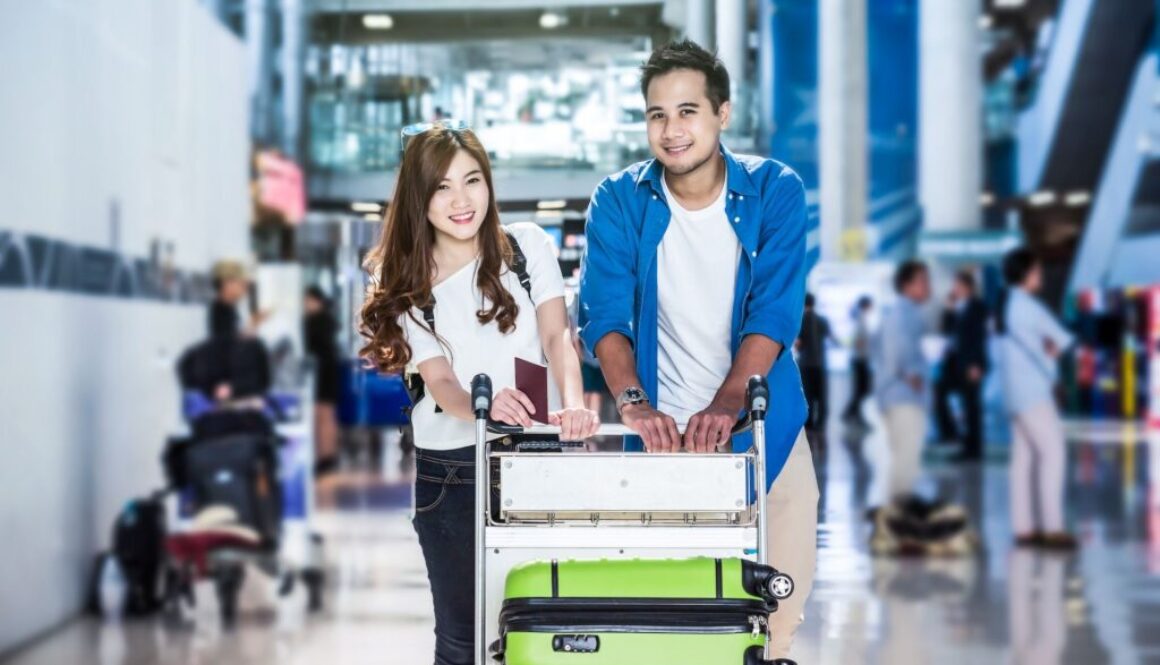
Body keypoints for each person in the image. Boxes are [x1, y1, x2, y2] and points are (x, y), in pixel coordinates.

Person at [579, 40, 816, 664]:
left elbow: (774, 312)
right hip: (663, 440)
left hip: (767, 424)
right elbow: (604, 316)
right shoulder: (619, 199)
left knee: (779, 612)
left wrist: (728, 403)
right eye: (657, 115)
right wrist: (633, 403)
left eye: (688, 111)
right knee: (673, 616)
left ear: (722, 113)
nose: (672, 130)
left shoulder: (775, 190)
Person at [358, 124, 600, 665]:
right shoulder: (407, 282)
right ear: (419, 198)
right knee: (463, 640)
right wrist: (484, 408)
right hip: (453, 468)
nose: (461, 200)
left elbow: (557, 337)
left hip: (534, 454)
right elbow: (441, 383)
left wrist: (573, 401)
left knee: (541, 628)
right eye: (441, 187)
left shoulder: (526, 247)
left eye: (472, 180)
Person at [997, 248, 1076, 549]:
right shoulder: (1029, 307)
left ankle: (1024, 527)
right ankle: (1052, 527)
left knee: (1023, 459)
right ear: (1026, 274)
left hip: (1013, 394)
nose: (1040, 276)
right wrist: (1052, 348)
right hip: (1034, 393)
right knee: (1053, 454)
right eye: (1037, 271)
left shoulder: (1004, 305)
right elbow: (1063, 338)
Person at [874, 261, 931, 501]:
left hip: (900, 395)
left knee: (905, 458)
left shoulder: (904, 313)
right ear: (906, 285)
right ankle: (899, 511)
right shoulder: (902, 314)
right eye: (922, 281)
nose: (928, 287)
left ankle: (899, 510)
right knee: (906, 460)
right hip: (903, 396)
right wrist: (911, 375)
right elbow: (895, 351)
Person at [933, 270, 989, 461]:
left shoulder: (978, 307)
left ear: (968, 287)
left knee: (971, 406)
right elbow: (947, 331)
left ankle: (973, 449)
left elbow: (979, 338)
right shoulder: (957, 307)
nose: (955, 289)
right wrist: (948, 311)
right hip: (955, 363)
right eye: (954, 286)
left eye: (958, 285)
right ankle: (951, 434)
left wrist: (976, 364)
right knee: (939, 390)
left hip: (972, 364)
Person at [303, 286, 341, 476]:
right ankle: (327, 456)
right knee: (325, 415)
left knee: (323, 414)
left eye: (307, 301)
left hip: (323, 373)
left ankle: (326, 457)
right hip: (327, 372)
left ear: (316, 301)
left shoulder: (317, 321)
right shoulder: (326, 320)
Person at [796, 293, 834, 435]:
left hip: (806, 363)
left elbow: (798, 344)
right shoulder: (822, 320)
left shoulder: (801, 321)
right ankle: (821, 423)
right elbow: (829, 337)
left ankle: (810, 423)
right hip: (820, 363)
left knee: (808, 394)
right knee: (821, 394)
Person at [842, 296, 874, 428]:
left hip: (861, 359)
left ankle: (851, 413)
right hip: (860, 359)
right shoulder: (860, 319)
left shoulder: (861, 318)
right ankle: (851, 414)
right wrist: (865, 345)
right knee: (862, 389)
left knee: (862, 389)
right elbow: (858, 341)